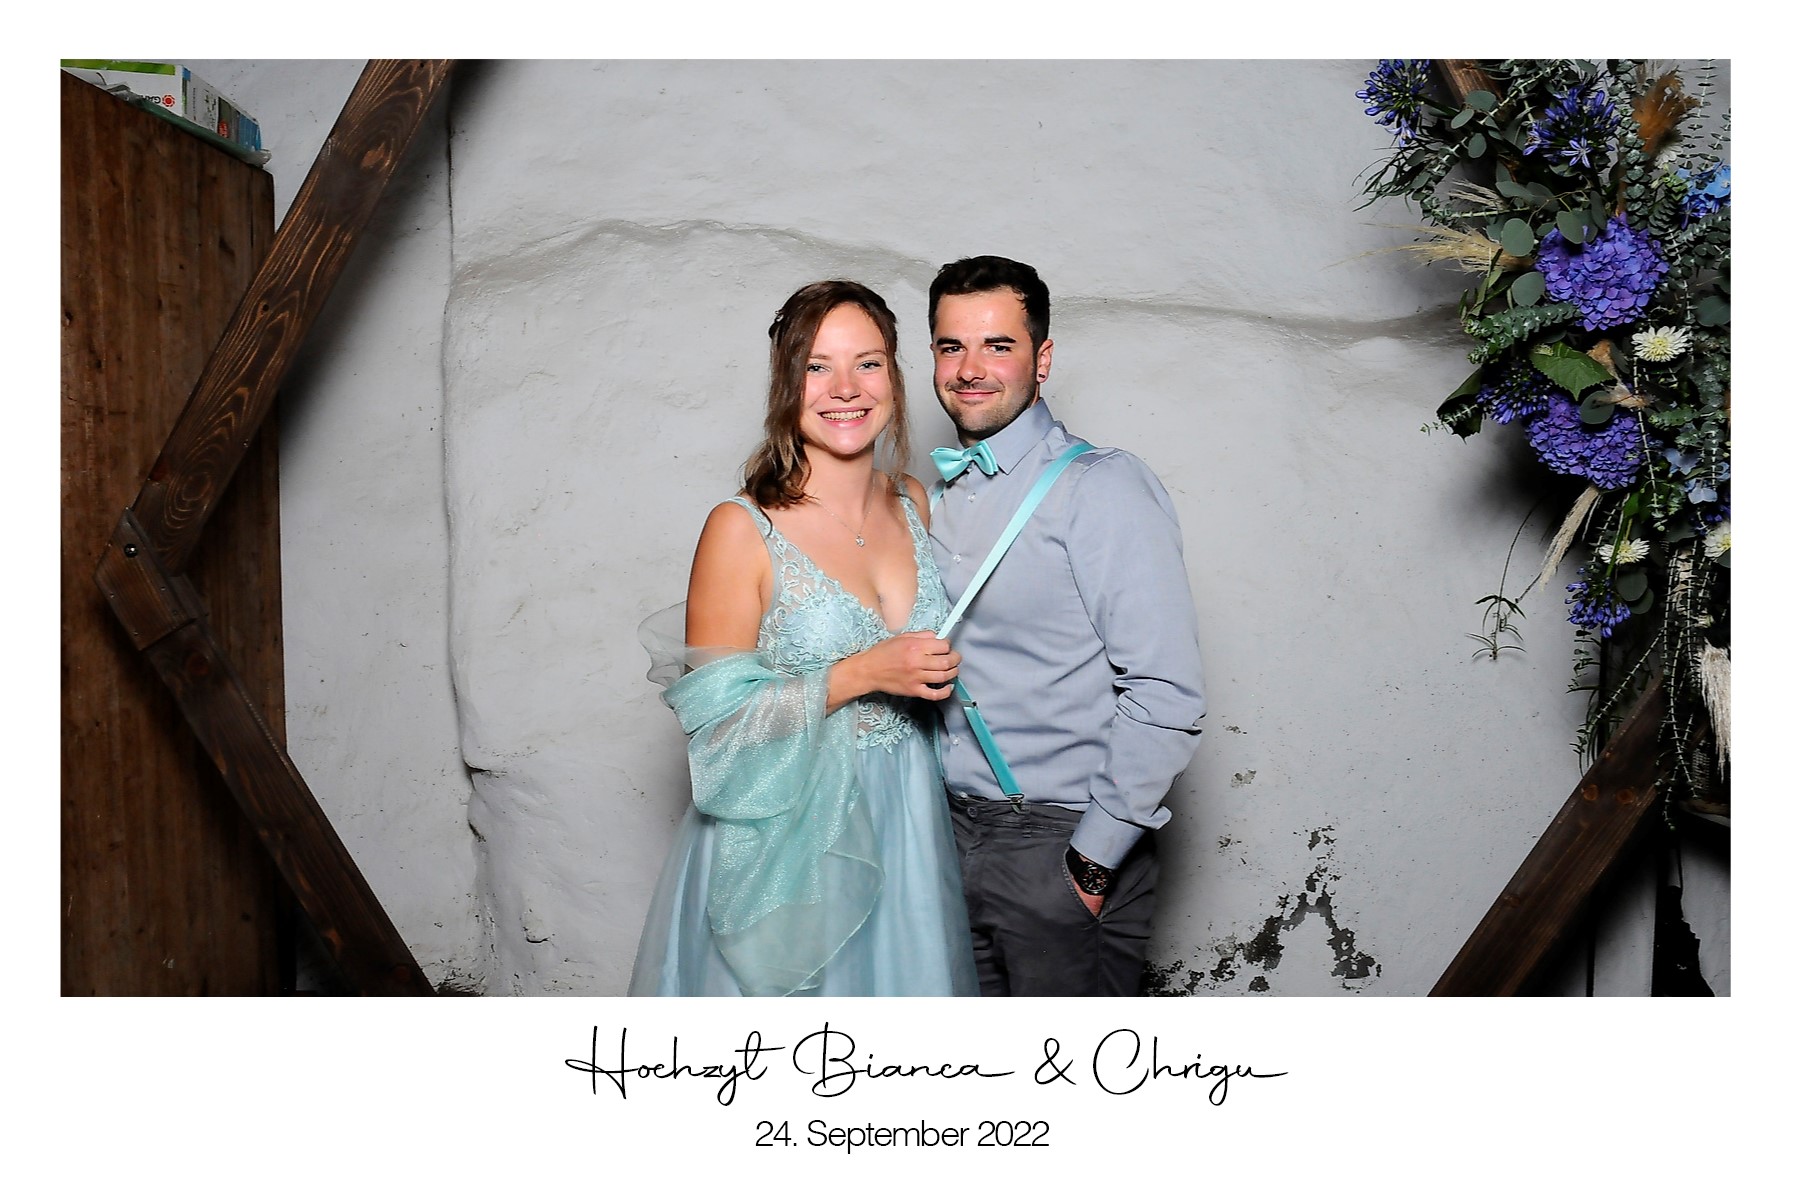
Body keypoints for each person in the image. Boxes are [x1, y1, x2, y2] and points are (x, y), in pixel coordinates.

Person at [629, 280, 979, 997]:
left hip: (909, 816)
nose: (846, 388)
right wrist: (861, 673)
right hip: (792, 837)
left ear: (894, 376)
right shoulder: (740, 528)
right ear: (787, 382)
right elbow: (718, 730)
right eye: (818, 366)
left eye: (868, 363)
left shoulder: (913, 500)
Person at [925, 255, 1207, 997]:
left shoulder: (1100, 486)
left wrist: (1090, 863)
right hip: (945, 838)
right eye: (952, 346)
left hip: (1058, 841)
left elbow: (1167, 691)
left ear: (1042, 358)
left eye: (998, 345)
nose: (970, 369)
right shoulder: (937, 498)